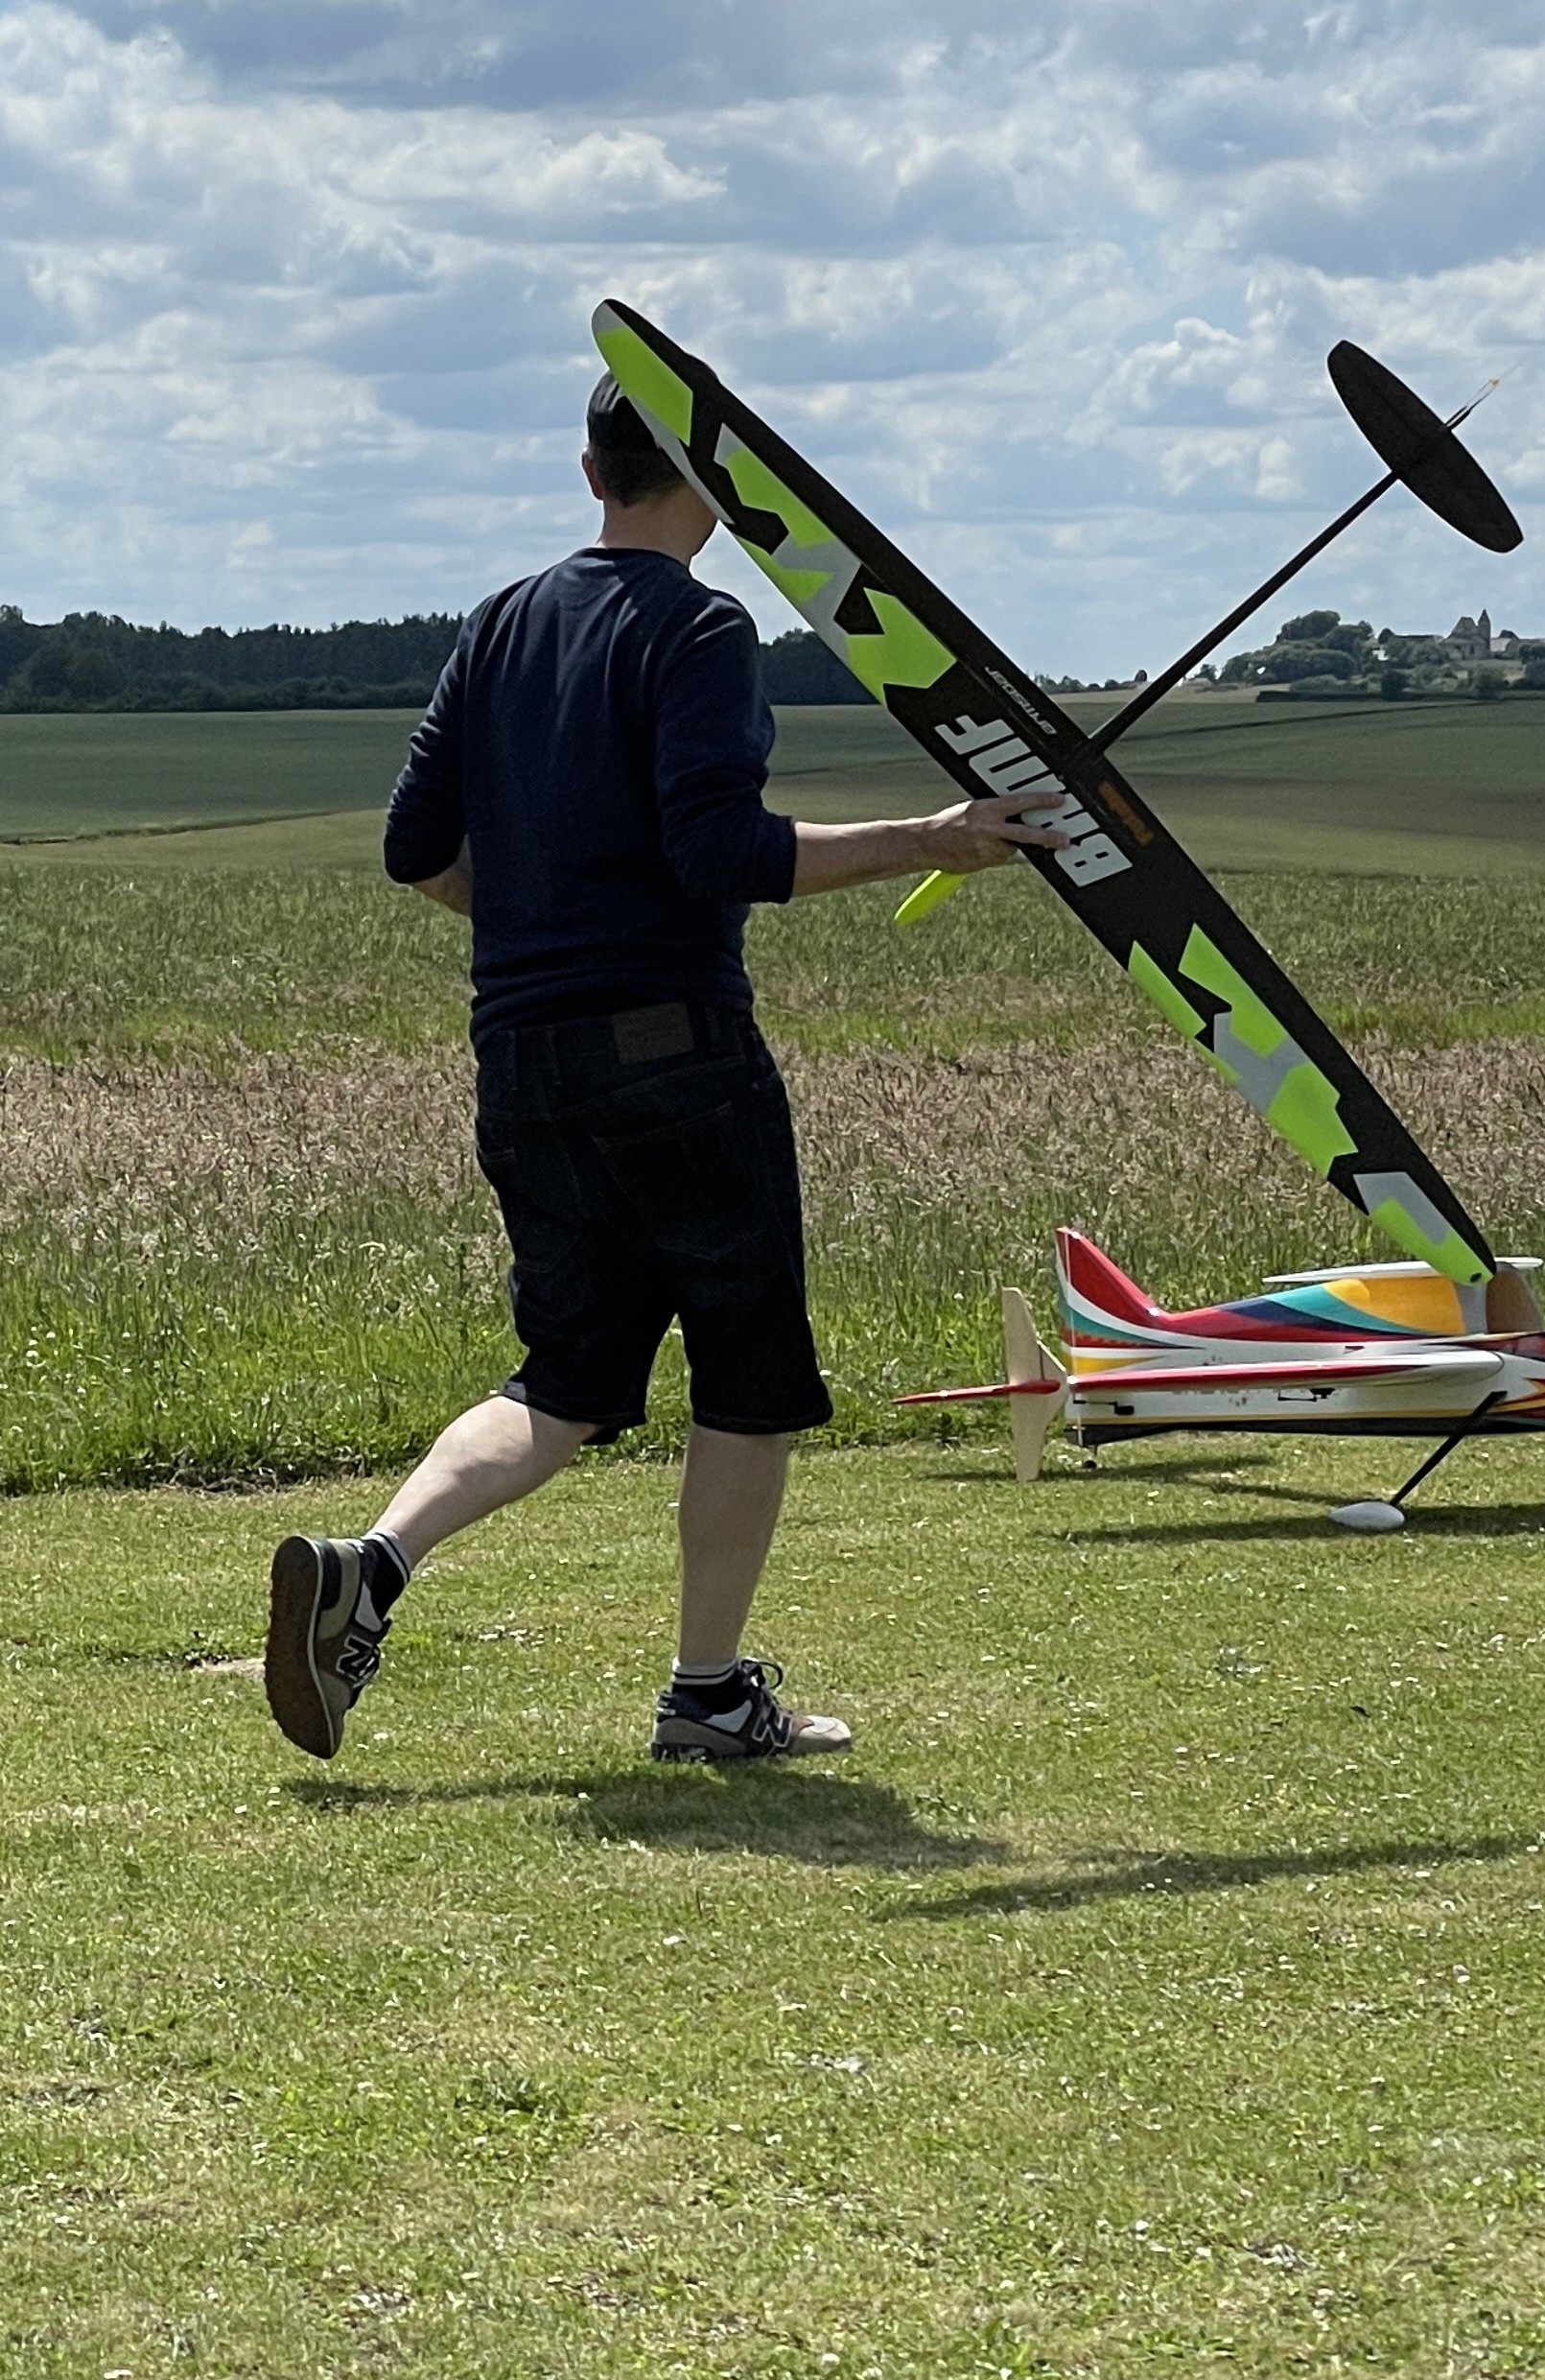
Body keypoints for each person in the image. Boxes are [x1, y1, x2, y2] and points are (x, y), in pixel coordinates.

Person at [264, 374, 1065, 1767]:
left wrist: (538, 932)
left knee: (563, 1378)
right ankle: (707, 1695)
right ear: (722, 488)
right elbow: (720, 851)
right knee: (747, 1375)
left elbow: (414, 846)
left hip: (521, 1061)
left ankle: (371, 1565)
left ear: (590, 475)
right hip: (678, 1061)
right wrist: (928, 839)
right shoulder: (700, 625)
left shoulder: (501, 621)